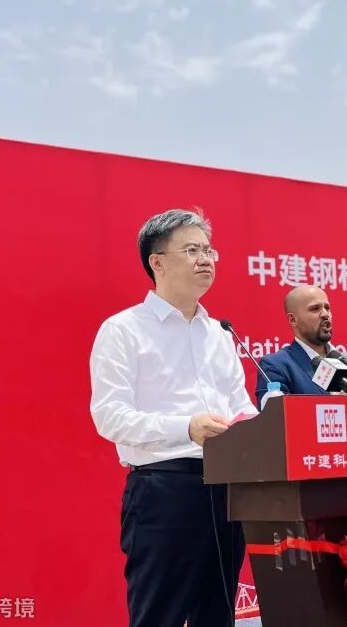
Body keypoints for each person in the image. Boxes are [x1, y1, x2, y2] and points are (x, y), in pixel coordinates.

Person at [89, 208, 255, 627]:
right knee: (158, 617)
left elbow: (241, 407)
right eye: (192, 250)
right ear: (157, 262)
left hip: (226, 494)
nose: (206, 259)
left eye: (209, 250)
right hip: (164, 491)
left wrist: (263, 429)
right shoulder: (124, 330)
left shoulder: (219, 334)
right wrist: (185, 427)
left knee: (218, 616)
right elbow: (109, 416)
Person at [255, 285, 341, 400]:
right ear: (293, 319)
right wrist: (341, 403)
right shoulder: (276, 365)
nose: (325, 314)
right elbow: (276, 411)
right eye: (315, 309)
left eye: (327, 307)